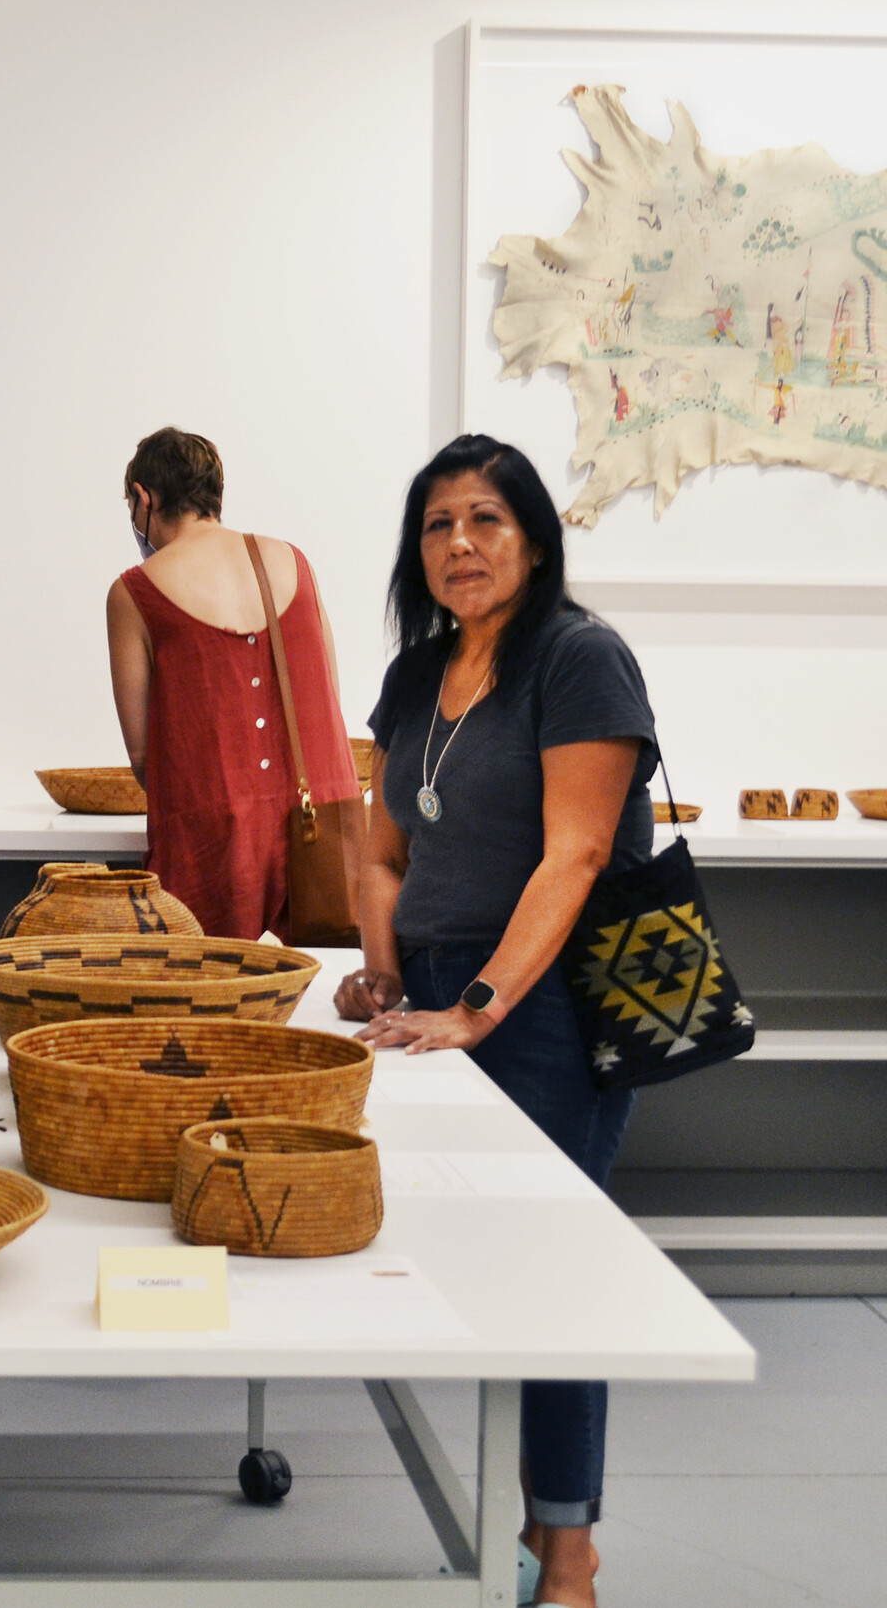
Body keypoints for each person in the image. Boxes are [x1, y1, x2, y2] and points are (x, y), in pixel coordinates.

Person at [333, 432, 657, 1608]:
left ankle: (565, 1552)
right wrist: (381, 973)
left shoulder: (578, 659)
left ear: (531, 536)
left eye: (484, 519)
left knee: (554, 1267)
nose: (459, 544)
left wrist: (473, 1006)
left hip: (547, 1005)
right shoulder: (415, 675)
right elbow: (378, 847)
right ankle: (499, 1532)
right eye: (436, 524)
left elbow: (573, 853)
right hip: (434, 993)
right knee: (474, 1263)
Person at [106, 426, 359, 937]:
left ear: (143, 498)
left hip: (210, 839)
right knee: (321, 1001)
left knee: (209, 1002)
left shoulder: (134, 591)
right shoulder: (294, 561)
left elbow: (141, 755)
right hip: (319, 830)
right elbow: (327, 688)